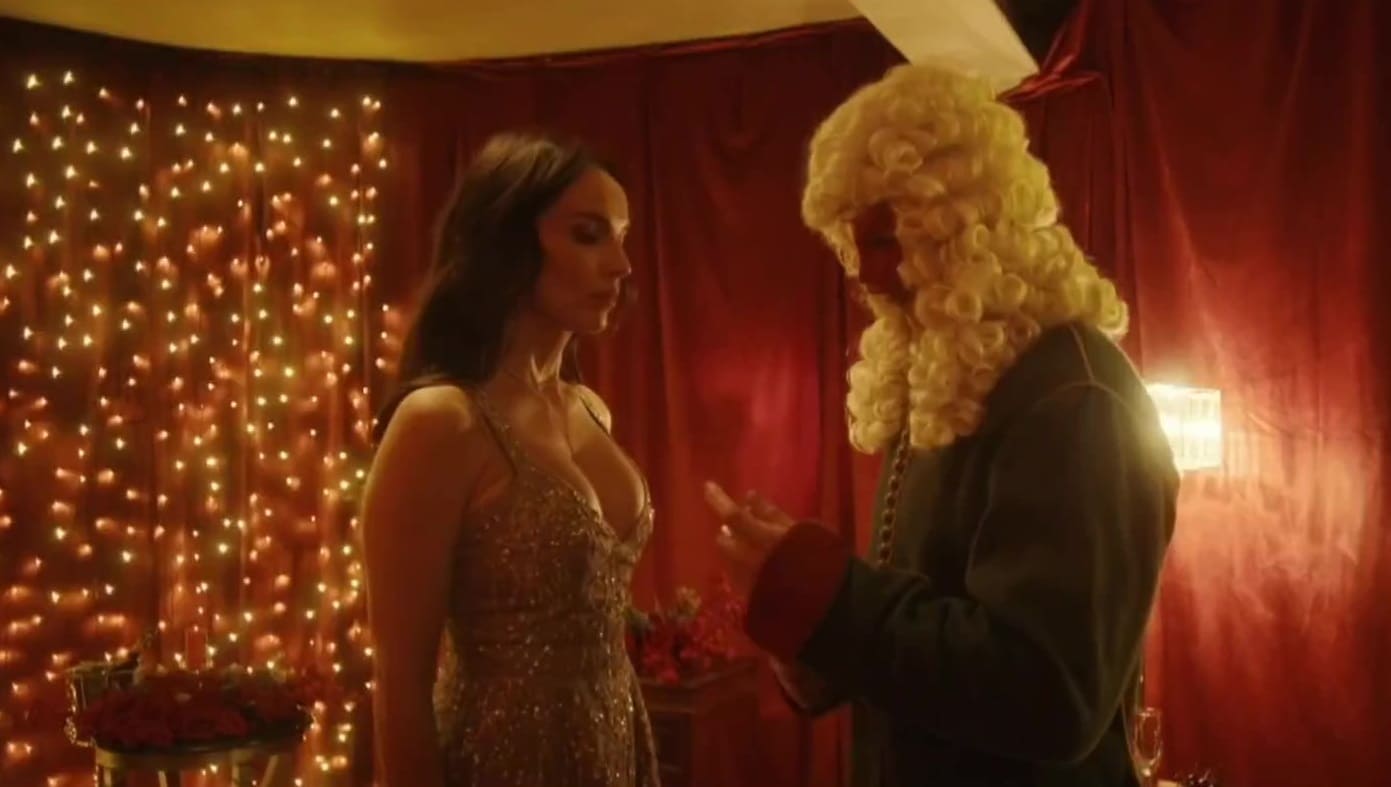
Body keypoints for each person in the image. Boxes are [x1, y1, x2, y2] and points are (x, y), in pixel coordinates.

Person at [705, 63, 1179, 786]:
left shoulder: (1076, 402)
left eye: (886, 241)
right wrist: (813, 644)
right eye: (853, 246)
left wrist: (834, 599)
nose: (865, 276)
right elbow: (934, 635)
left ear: (963, 228)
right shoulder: (959, 377)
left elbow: (1049, 693)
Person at [361, 131, 659, 787]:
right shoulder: (442, 421)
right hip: (502, 757)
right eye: (588, 235)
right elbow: (400, 685)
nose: (621, 264)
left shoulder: (589, 409)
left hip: (612, 746)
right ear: (508, 242)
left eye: (622, 237)